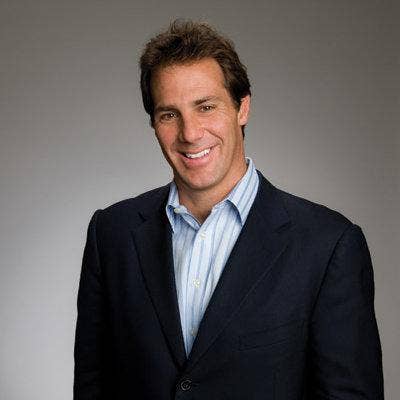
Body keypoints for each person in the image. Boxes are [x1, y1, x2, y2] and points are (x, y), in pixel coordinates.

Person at [74, 20, 384, 399]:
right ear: (154, 123)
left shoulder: (327, 244)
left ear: (242, 108)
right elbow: (92, 387)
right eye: (169, 114)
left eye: (206, 107)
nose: (190, 133)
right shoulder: (112, 234)